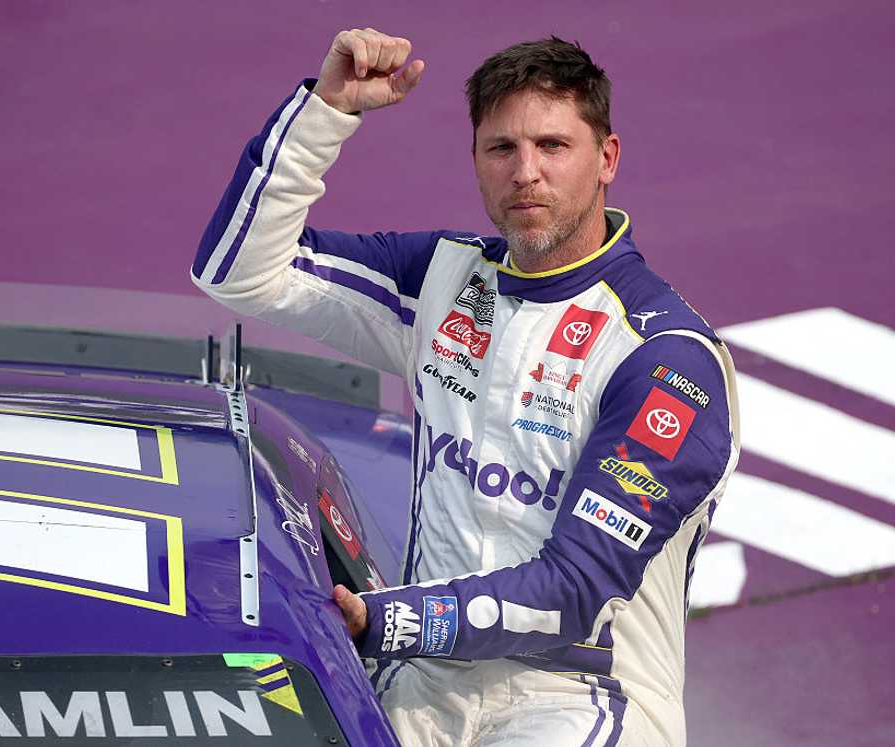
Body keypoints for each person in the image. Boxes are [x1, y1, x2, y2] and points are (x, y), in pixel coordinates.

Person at [192, 28, 740, 747]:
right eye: (502, 149)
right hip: (419, 679)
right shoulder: (443, 278)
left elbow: (574, 592)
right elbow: (239, 269)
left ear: (606, 159)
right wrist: (327, 112)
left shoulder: (666, 360)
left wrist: (391, 619)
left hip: (579, 695)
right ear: (476, 161)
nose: (526, 173)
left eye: (553, 146)